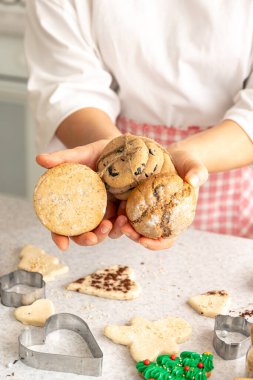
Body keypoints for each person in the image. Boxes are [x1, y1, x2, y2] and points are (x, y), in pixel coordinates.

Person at [25, 0, 253, 251]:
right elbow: (67, 86)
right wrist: (115, 154)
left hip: (230, 167)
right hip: (114, 199)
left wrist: (192, 156)